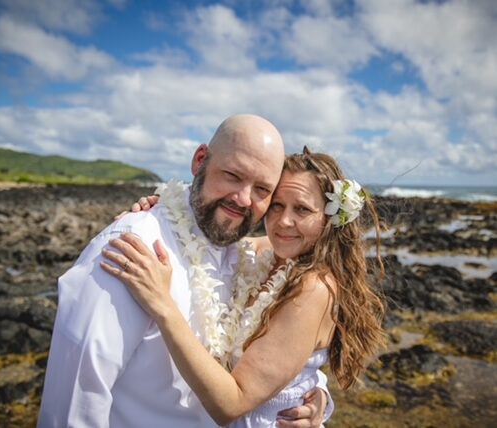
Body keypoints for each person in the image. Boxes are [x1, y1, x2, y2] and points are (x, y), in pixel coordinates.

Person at [37, 115, 332, 428]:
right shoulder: (132, 250)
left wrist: (317, 395)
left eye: (262, 189)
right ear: (200, 160)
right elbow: (72, 406)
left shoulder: (247, 255)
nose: (243, 199)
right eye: (232, 175)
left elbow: (283, 350)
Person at [101, 148, 386, 427]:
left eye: (302, 209)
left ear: (328, 219)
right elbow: (201, 242)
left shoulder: (313, 288)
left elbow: (232, 404)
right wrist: (154, 218)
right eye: (276, 205)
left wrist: (163, 306)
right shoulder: (268, 251)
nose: (284, 221)